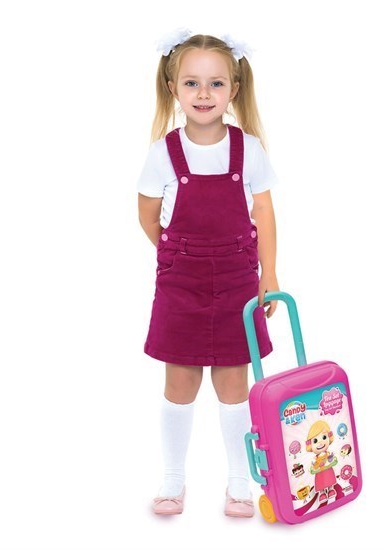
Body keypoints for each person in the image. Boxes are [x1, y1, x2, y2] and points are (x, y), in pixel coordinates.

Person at [137, 28, 281, 518]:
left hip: (238, 282)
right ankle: (172, 480)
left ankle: (240, 483)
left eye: (216, 83)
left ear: (234, 89)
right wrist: (177, 254)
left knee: (233, 385)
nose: (204, 93)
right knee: (179, 383)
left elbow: (264, 213)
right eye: (192, 83)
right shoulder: (163, 152)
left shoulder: (249, 148)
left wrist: (269, 272)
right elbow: (148, 215)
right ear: (173, 88)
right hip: (182, 284)